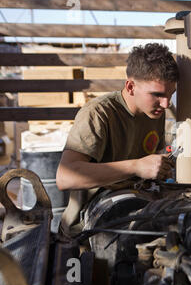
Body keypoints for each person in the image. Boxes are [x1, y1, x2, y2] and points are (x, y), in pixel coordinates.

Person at [56, 43, 178, 191]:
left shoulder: (154, 111)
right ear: (131, 87)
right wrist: (136, 166)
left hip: (141, 198)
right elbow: (65, 178)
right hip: (99, 206)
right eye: (157, 95)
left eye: (170, 94)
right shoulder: (98, 113)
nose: (165, 104)